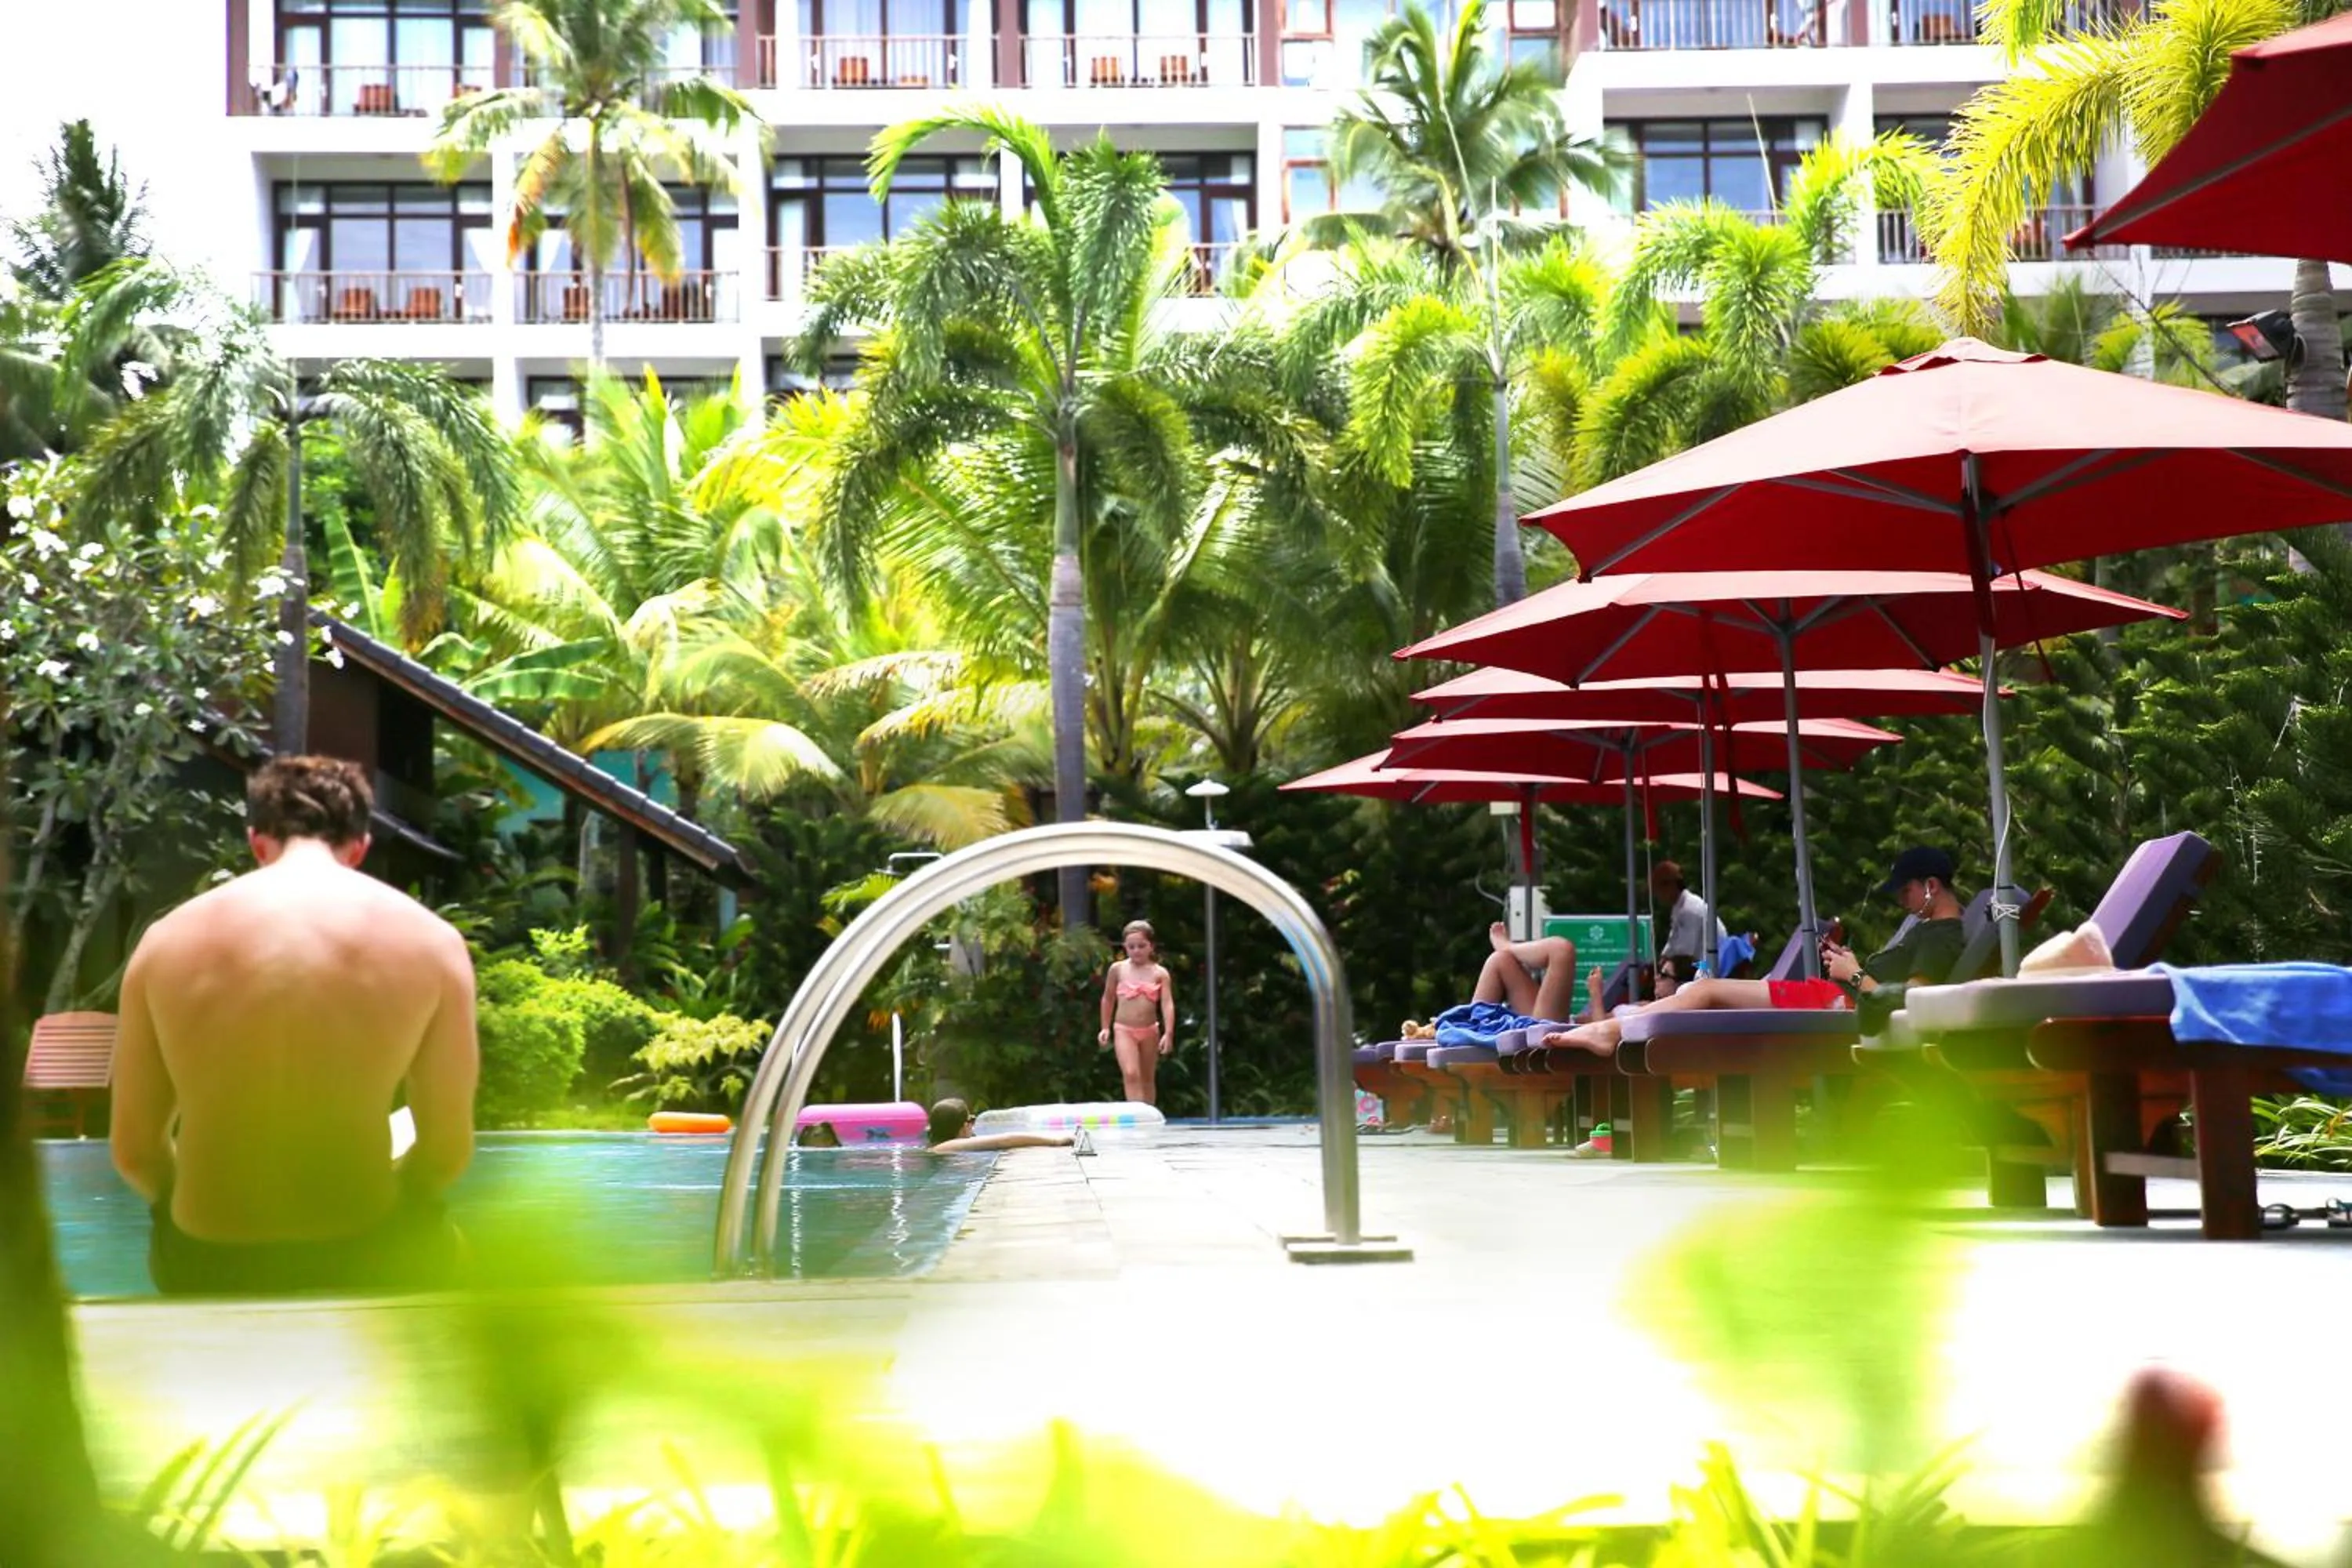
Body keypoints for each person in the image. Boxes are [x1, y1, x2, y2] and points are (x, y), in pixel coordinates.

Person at [110, 756, 478, 1296]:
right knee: (451, 1249)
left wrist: (181, 1207)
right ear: (359, 848)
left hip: (206, 1258)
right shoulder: (432, 941)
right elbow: (446, 1154)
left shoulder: (164, 941)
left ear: (257, 842)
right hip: (366, 1246)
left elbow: (136, 1151)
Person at [1541, 846, 1970, 1057]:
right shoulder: (1931, 929)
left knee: (1704, 993)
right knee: (1703, 994)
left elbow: (1913, 1000)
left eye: (1907, 891)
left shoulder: (1942, 935)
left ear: (1931, 886)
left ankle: (1607, 1032)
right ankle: (1617, 1026)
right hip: (1830, 996)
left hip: (1836, 1002)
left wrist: (1852, 972)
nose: (1902, 901)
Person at [1098, 919, 1176, 1105]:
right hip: (1124, 1029)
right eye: (1131, 947)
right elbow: (1108, 998)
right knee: (1131, 1073)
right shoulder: (1118, 970)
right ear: (1125, 947)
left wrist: (1169, 1033)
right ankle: (1136, 1115)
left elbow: (1167, 1004)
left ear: (1151, 946)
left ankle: (1148, 1116)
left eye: (1141, 946)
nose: (1136, 951)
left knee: (1147, 1077)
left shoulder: (1160, 973)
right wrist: (1105, 1027)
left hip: (1149, 1030)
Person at [1472, 921, 1582, 1022]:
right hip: (1569, 1024)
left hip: (1561, 1033)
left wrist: (1595, 996)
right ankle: (1469, 1031)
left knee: (1561, 950)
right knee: (1501, 960)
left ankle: (1507, 947)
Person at [1650, 860, 1728, 992]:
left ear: (1671, 885)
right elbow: (1672, 944)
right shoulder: (1679, 908)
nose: (1657, 896)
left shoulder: (1690, 909)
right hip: (1698, 965)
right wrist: (1662, 959)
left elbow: (1684, 953)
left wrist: (1663, 969)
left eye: (1658, 890)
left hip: (1708, 967)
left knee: (1668, 978)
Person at [924, 1098, 1074, 1152]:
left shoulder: (936, 1148)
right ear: (964, 1126)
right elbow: (1005, 1140)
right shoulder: (948, 1147)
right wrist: (1055, 1141)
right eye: (971, 1120)